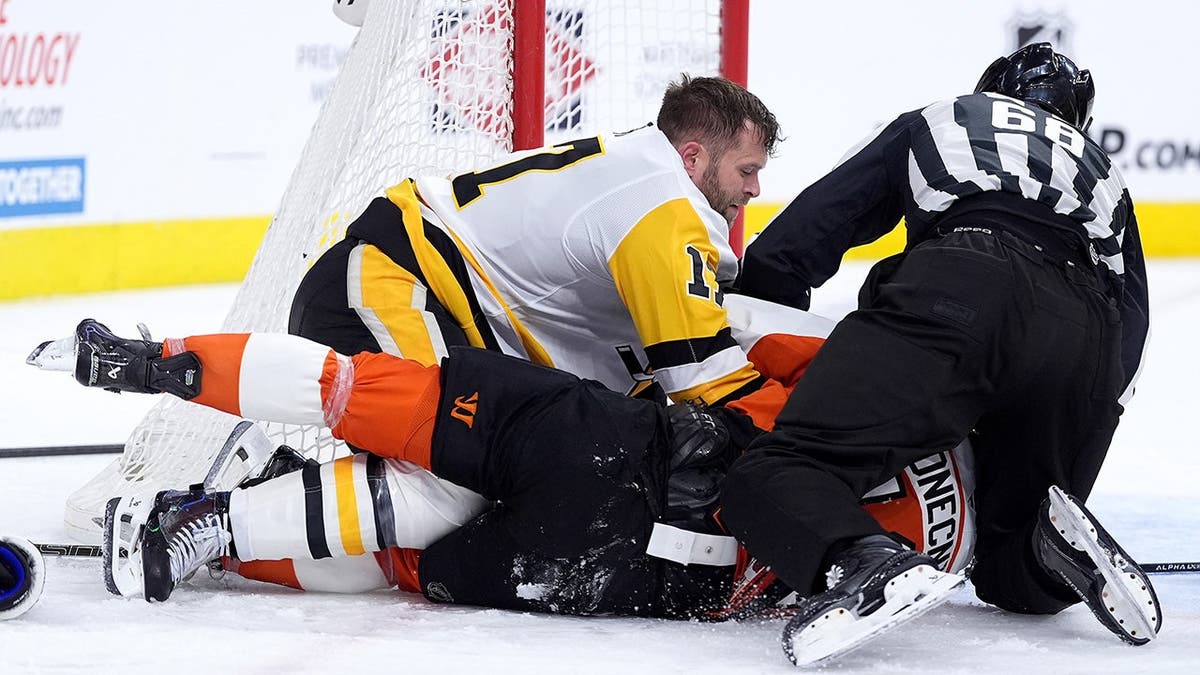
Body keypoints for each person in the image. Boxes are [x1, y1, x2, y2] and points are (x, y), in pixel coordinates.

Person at [40, 303, 974, 615]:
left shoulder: (899, 390)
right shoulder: (957, 548)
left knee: (367, 396)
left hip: (619, 445)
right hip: (639, 577)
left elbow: (762, 353)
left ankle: (158, 370)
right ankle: (217, 532)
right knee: (406, 552)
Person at [721, 42, 1158, 666]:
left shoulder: (950, 116)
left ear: (991, 90)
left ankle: (866, 563)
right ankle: (1048, 545)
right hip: (1086, 342)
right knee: (1006, 566)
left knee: (775, 473)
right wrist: (1078, 438)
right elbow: (1132, 326)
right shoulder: (1103, 173)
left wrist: (755, 328)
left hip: (964, 284)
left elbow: (811, 231)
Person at [290, 74, 783, 409]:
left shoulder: (641, 170)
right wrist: (809, 435)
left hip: (405, 291)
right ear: (692, 157)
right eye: (746, 170)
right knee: (448, 462)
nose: (754, 189)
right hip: (387, 284)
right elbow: (706, 382)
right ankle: (228, 518)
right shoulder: (663, 206)